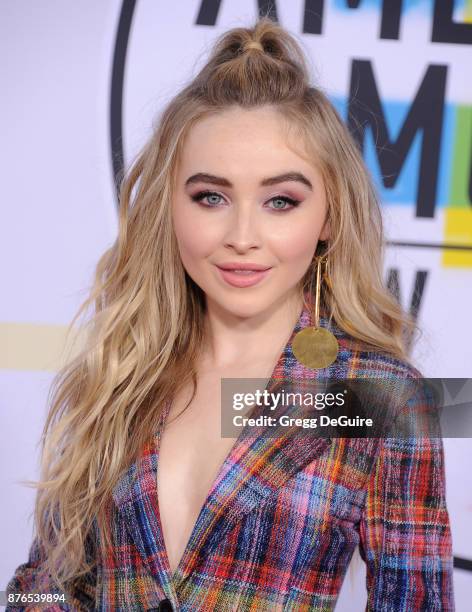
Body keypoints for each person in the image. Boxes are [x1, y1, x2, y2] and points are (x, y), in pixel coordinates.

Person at [6, 16, 454, 612]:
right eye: (211, 197)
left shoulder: (378, 400)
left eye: (280, 201)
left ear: (328, 219)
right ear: (170, 208)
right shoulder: (122, 373)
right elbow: (45, 583)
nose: (242, 235)